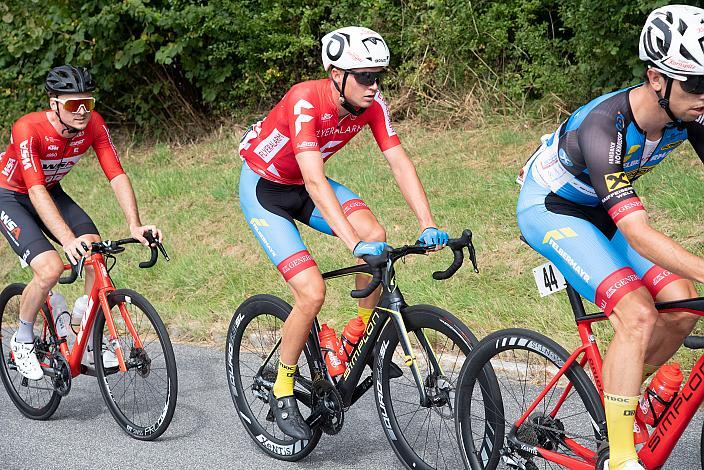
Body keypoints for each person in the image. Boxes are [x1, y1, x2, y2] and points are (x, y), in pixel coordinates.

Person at [516, 5, 704, 469]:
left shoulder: (690, 113)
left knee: (682, 304)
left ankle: (621, 390)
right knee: (637, 314)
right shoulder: (605, 125)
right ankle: (620, 458)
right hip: (551, 209)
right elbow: (637, 233)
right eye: (697, 83)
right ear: (657, 79)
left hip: (602, 210)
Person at [238, 26, 449, 439]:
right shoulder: (304, 100)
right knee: (312, 292)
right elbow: (316, 181)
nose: (374, 86)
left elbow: (399, 162)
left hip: (301, 184)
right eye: (365, 76)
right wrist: (352, 243)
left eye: (378, 76)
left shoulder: (372, 104)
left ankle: (356, 336)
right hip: (265, 190)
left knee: (377, 232)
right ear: (336, 74)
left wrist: (428, 223)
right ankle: (282, 385)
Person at [2, 65, 162, 380]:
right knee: (48, 269)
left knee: (96, 253)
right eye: (74, 105)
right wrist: (66, 240)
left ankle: (85, 329)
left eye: (87, 104)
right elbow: (33, 190)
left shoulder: (94, 125)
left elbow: (116, 175)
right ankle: (21, 338)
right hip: (12, 196)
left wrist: (134, 224)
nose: (82, 112)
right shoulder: (28, 128)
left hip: (51, 191)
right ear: (54, 105)